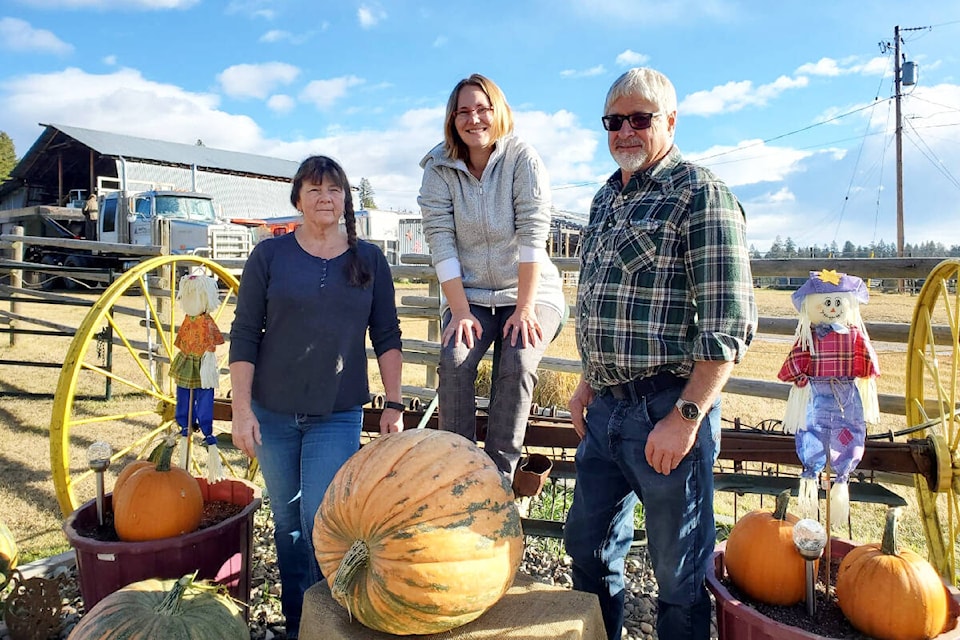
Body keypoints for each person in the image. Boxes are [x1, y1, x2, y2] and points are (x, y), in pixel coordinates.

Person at [563, 67, 757, 640]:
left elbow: (727, 323)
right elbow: (605, 301)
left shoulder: (701, 193)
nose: (625, 130)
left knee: (678, 576)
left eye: (640, 118)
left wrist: (687, 416)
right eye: (614, 120)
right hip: (606, 412)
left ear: (670, 120)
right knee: (589, 554)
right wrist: (587, 382)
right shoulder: (605, 198)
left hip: (666, 409)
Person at [229, 155, 404, 638]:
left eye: (334, 190)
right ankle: (299, 622)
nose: (325, 198)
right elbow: (244, 335)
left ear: (346, 198)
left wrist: (394, 404)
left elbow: (387, 336)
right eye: (314, 190)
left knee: (321, 519)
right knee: (286, 521)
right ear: (298, 200)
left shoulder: (368, 260)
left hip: (336, 413)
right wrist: (241, 410)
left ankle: (332, 621)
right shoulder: (270, 257)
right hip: (272, 411)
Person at [417, 73, 566, 483]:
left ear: (498, 112)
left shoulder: (523, 160)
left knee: (518, 357)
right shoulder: (438, 170)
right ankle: (458, 469)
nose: (474, 118)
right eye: (463, 111)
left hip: (531, 291)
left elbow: (534, 237)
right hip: (473, 296)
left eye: (483, 108)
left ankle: (499, 477)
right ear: (452, 120)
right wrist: (460, 311)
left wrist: (525, 308)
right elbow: (441, 244)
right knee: (455, 358)